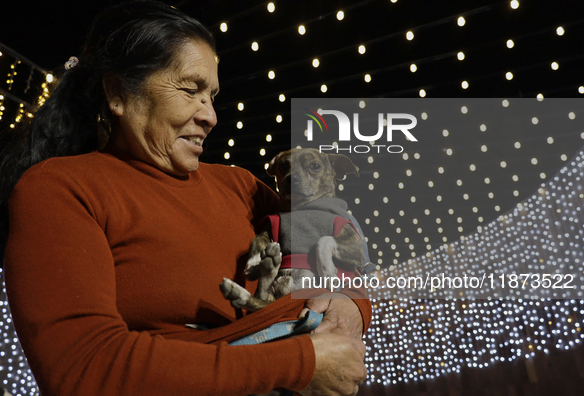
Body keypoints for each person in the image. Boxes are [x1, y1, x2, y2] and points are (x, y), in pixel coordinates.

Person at [0, 1, 372, 395]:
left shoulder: (241, 187)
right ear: (118, 93)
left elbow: (345, 248)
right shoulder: (60, 190)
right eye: (190, 90)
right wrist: (299, 363)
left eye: (211, 96)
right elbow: (83, 368)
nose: (209, 115)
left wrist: (352, 307)